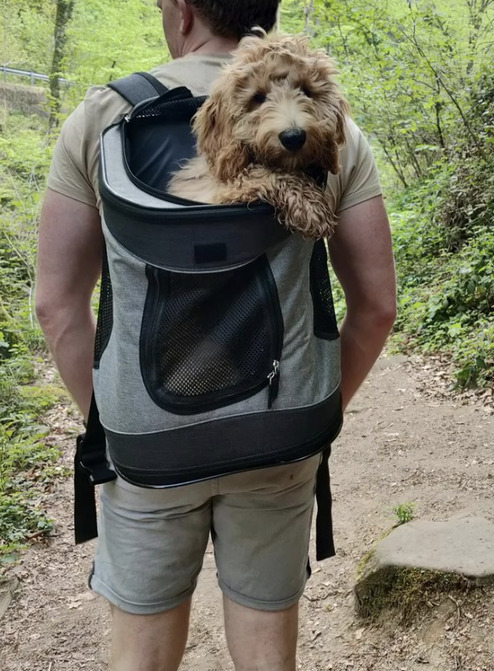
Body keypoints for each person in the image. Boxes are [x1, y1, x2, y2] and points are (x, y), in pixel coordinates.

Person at [35, 1, 396, 669]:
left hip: (145, 445)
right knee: (266, 654)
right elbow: (374, 307)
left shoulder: (100, 117)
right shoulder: (332, 123)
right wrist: (318, 406)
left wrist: (112, 419)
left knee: (141, 655)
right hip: (279, 434)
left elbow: (57, 307)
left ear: (179, 8)